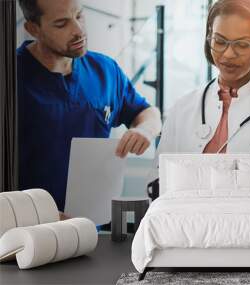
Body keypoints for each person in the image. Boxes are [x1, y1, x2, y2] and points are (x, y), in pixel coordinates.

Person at [17, 0, 162, 212]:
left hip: (91, 223)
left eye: (79, 15)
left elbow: (147, 112)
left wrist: (144, 130)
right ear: (33, 29)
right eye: (61, 24)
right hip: (25, 229)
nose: (78, 30)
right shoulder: (11, 77)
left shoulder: (105, 70)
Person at [154, 0, 250, 168]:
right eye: (220, 42)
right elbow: (158, 179)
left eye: (242, 45)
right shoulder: (182, 108)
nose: (228, 54)